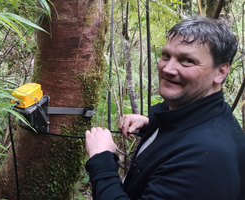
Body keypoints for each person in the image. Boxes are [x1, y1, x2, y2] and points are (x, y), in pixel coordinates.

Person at [85, 16, 245, 200]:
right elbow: (187, 131)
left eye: (187, 61)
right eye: (166, 55)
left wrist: (102, 160)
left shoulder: (204, 159)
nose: (167, 68)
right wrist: (153, 124)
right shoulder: (207, 116)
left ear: (221, 72)